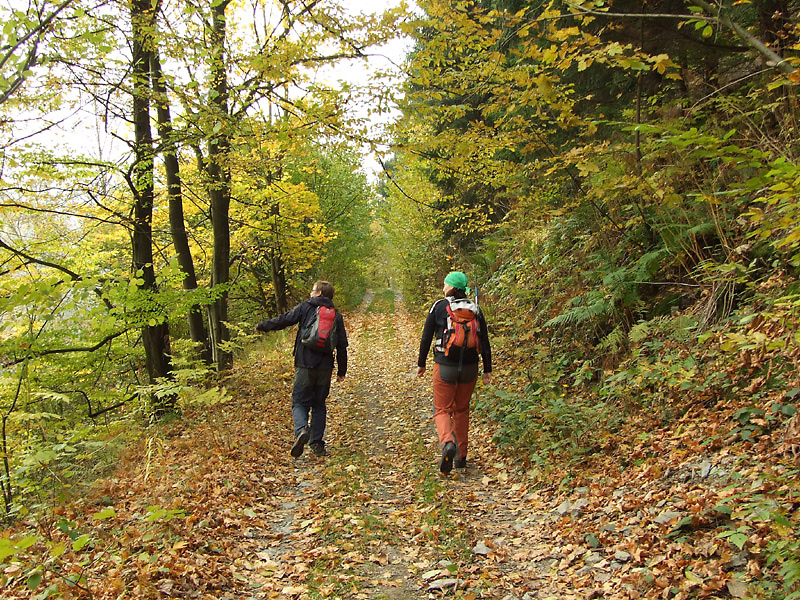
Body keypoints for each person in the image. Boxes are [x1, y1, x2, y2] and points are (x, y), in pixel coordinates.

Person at [255, 281, 348, 458]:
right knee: (319, 404)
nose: (310, 293)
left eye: (313, 290)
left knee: (299, 401)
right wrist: (341, 371)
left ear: (319, 293)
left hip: (304, 364)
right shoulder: (336, 315)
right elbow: (342, 345)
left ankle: (301, 430)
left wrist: (263, 326)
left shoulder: (306, 307)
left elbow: (285, 320)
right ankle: (317, 444)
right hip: (325, 367)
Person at [417, 271, 492, 474]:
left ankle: (447, 442)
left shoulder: (439, 306)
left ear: (451, 287)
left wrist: (421, 363)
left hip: (445, 365)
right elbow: (484, 341)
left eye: (445, 283)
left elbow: (426, 337)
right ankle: (461, 457)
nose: (443, 287)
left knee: (442, 409)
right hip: (470, 367)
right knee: (461, 409)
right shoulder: (475, 309)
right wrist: (487, 369)